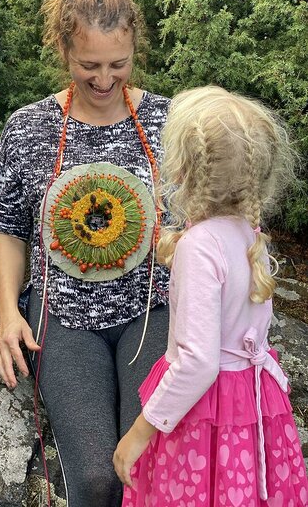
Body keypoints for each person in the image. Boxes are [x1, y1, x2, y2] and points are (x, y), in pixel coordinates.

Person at [0, 0, 170, 506]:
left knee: (146, 464)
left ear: (136, 50)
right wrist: (8, 314)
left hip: (152, 310)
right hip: (63, 319)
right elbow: (10, 231)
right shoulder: (27, 127)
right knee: (96, 480)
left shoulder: (171, 122)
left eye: (119, 63)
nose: (104, 79)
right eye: (88, 65)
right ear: (63, 50)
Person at [113, 85, 308, 506]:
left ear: (184, 169)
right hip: (252, 399)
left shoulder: (200, 245)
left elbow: (199, 361)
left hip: (207, 410)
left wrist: (140, 431)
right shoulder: (249, 234)